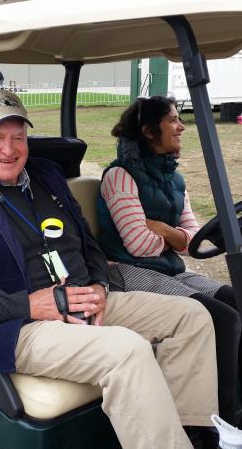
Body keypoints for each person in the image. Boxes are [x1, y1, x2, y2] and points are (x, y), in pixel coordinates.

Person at [0, 90, 218, 449]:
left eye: (18, 137)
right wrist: (29, 305)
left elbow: (88, 244)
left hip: (83, 298)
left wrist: (101, 287)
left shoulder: (46, 177)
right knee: (127, 350)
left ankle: (190, 434)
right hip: (18, 324)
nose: (9, 149)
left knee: (192, 317)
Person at [97, 95, 242, 430]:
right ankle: (223, 420)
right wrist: (173, 237)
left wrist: (163, 229)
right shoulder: (119, 176)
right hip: (126, 271)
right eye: (173, 120)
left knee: (235, 302)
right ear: (149, 131)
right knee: (220, 317)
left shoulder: (175, 179)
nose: (181, 127)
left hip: (167, 268)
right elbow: (138, 244)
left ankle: (233, 400)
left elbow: (191, 240)